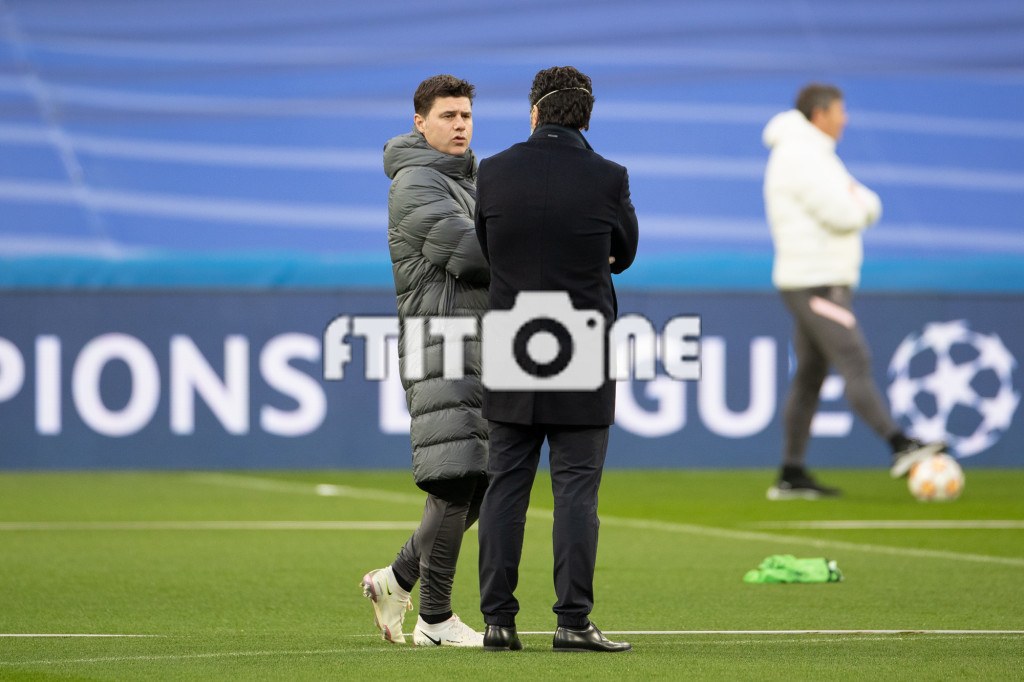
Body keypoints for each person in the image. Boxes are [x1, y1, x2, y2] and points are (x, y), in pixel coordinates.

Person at [473, 66, 639, 652]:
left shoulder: (493, 172)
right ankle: (572, 622)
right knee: (575, 495)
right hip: (581, 344)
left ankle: (498, 622)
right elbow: (626, 251)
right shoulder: (608, 177)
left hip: (513, 340)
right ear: (587, 116)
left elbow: (487, 246)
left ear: (534, 112)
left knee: (504, 489)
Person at [762, 82, 945, 500]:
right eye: (840, 111)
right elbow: (844, 212)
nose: (845, 119)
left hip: (813, 278)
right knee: (853, 358)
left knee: (810, 375)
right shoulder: (801, 155)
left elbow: (858, 201)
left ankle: (791, 474)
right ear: (820, 114)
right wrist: (860, 204)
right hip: (815, 281)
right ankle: (900, 444)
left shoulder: (812, 153)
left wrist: (858, 202)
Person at [360, 74, 489, 647]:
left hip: (480, 343)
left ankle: (395, 579)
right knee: (455, 479)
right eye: (447, 116)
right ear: (420, 122)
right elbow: (472, 254)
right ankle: (435, 620)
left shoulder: (470, 179)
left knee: (481, 479)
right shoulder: (415, 181)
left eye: (466, 115)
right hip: (441, 342)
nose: (460, 125)